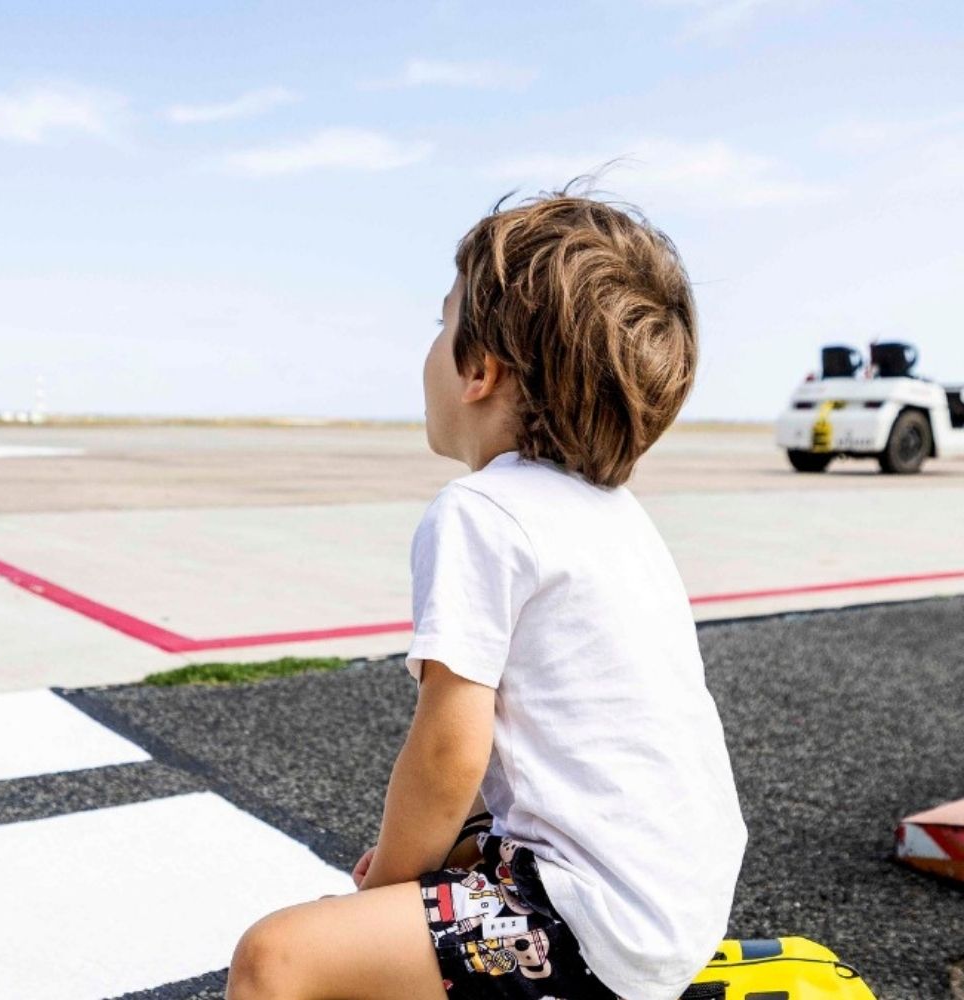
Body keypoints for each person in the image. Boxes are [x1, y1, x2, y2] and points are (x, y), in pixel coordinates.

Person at [227, 191, 746, 1000]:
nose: (432, 347)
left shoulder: (481, 512)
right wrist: (452, 853)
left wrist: (389, 890)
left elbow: (449, 750)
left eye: (443, 323)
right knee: (441, 871)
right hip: (673, 903)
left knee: (280, 957)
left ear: (478, 371)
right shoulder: (612, 514)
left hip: (589, 923)